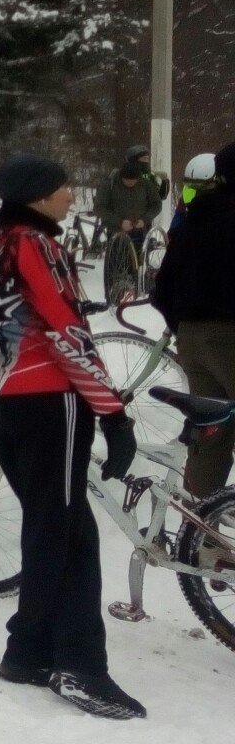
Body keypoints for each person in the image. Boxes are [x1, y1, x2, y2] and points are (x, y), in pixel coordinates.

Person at [0, 153, 142, 720]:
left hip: (2, 400)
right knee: (67, 534)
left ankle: (27, 652)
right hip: (49, 399)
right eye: (64, 186)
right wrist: (113, 414)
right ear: (39, 195)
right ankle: (81, 667)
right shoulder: (36, 244)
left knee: (51, 527)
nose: (71, 194)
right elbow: (67, 329)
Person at [150, 142, 235, 497]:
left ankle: (200, 531)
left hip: (192, 339)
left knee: (212, 431)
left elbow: (162, 287)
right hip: (230, 338)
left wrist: (186, 323)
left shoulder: (194, 216)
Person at [94, 145, 164, 248]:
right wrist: (120, 222)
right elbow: (99, 208)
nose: (131, 183)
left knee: (138, 260)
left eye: (134, 181)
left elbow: (157, 204)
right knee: (116, 261)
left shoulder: (146, 183)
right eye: (127, 181)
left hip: (140, 231)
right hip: (116, 232)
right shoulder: (109, 184)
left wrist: (144, 220)